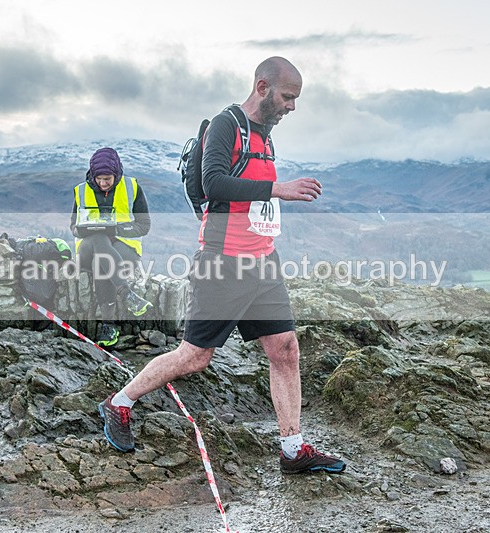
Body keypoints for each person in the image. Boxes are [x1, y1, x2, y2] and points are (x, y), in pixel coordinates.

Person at [99, 57, 346, 474]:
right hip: (222, 262)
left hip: (263, 261)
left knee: (284, 349)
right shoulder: (226, 124)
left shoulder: (265, 136)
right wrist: (278, 189)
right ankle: (118, 403)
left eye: (296, 100)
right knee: (195, 356)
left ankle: (292, 448)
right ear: (263, 86)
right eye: (288, 97)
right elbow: (214, 183)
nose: (291, 107)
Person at [71, 147, 153, 346]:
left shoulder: (132, 187)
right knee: (99, 240)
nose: (103, 183)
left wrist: (116, 230)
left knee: (103, 260)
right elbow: (73, 227)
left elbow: (144, 226)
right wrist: (85, 230)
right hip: (87, 251)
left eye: (107, 178)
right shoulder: (81, 190)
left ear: (116, 174)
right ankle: (126, 295)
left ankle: (108, 327)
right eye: (99, 179)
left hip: (123, 247)